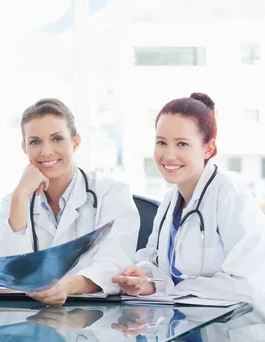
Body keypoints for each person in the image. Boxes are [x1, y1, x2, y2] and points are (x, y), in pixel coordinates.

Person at [112, 93, 265, 304]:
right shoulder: (169, 201)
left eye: (182, 144)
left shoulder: (231, 196)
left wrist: (173, 290)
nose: (169, 155)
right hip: (185, 326)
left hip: (231, 330)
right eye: (161, 143)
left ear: (208, 148)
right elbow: (153, 262)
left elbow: (246, 283)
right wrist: (143, 281)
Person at [0, 98, 140, 305]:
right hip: (31, 322)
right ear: (24, 147)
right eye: (35, 142)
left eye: (57, 139)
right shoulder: (15, 200)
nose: (46, 151)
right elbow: (5, 273)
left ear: (75, 142)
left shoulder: (111, 193)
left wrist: (68, 285)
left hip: (94, 322)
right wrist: (20, 197)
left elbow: (115, 264)